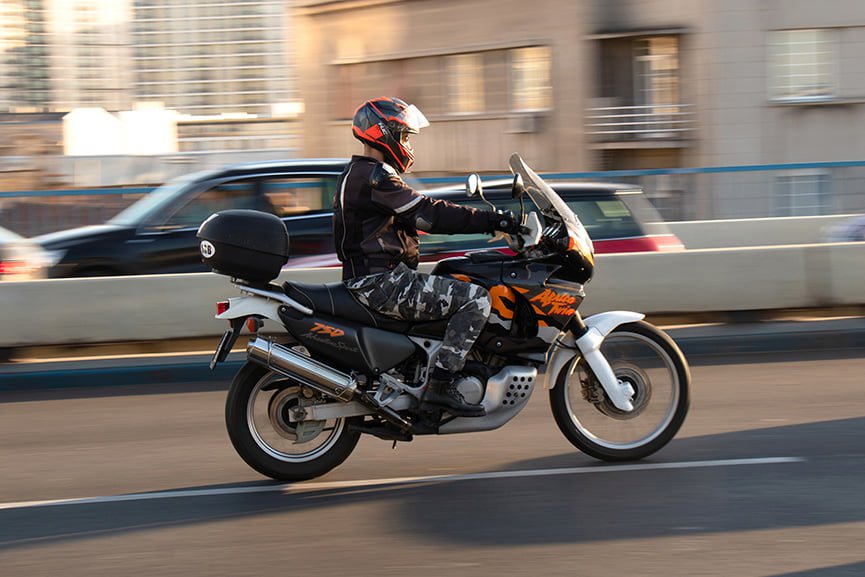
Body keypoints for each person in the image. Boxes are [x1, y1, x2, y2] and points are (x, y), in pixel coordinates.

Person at [334, 97, 522, 417]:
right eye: (405, 136)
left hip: (373, 278)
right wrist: (492, 220)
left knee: (451, 276)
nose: (408, 144)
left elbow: (413, 218)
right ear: (386, 133)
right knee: (474, 299)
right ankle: (441, 384)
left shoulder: (359, 173)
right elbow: (429, 214)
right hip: (383, 282)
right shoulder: (376, 177)